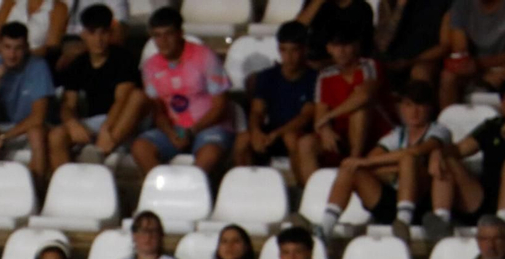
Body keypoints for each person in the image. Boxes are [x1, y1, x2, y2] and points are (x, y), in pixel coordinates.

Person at [318, 78, 448, 241]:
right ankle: (325, 228)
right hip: (391, 199)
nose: (414, 111)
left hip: (421, 203)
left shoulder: (438, 130)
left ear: (430, 107)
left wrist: (383, 165)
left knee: (408, 160)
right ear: (401, 107)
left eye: (419, 105)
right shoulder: (398, 134)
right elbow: (373, 158)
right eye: (408, 105)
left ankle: (403, 222)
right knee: (351, 169)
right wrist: (396, 168)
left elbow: (415, 152)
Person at [427, 74, 505, 235]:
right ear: (502, 103)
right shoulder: (492, 126)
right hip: (484, 198)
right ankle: (441, 221)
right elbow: (460, 149)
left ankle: (502, 221)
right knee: (447, 161)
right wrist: (437, 153)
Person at [133, 8, 233, 177]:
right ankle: (162, 189)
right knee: (140, 148)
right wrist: (170, 132)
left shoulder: (205, 56)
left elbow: (220, 105)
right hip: (174, 130)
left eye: (168, 34)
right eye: (157, 36)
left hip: (208, 127)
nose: (163, 41)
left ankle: (190, 190)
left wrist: (192, 131)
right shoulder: (150, 65)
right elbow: (157, 109)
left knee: (210, 153)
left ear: (180, 33)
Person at [49, 3, 143, 171]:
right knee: (57, 136)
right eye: (92, 33)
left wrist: (107, 128)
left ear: (110, 32)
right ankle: (66, 183)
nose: (98, 40)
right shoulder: (78, 64)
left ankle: (100, 151)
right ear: (84, 34)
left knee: (137, 97)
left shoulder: (124, 59)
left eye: (103, 33)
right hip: (94, 123)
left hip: (121, 122)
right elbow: (68, 104)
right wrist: (72, 123)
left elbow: (122, 100)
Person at [293, 26, 389, 185]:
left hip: (375, 135)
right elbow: (320, 115)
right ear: (329, 48)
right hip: (341, 138)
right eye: (336, 46)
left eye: (346, 45)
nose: (341, 51)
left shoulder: (369, 65)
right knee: (306, 143)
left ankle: (353, 167)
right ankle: (316, 192)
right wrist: (325, 128)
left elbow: (364, 96)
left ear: (356, 46)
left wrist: (329, 116)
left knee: (359, 111)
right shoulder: (325, 75)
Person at [0, 21, 54, 182]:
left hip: (26, 129)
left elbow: (38, 117)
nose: (12, 54)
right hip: (0, 129)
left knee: (36, 132)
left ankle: (36, 189)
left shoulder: (38, 67)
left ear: (26, 48)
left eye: (18, 48)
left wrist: (4, 138)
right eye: (7, 47)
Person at [237, 20, 316, 168]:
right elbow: (257, 110)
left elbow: (305, 116)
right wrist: (256, 131)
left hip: (299, 134)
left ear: (304, 50)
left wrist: (277, 134)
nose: (289, 57)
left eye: (294, 50)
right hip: (272, 133)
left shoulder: (313, 78)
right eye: (284, 50)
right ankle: (245, 180)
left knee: (291, 138)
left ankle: (301, 181)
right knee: (243, 139)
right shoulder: (267, 76)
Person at [438, 0, 505, 107]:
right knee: (448, 77)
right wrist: (481, 73)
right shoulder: (461, 4)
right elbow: (460, 50)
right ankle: (449, 117)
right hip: (474, 67)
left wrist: (483, 66)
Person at [373, 0, 453, 83]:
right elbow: (382, 44)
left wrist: (411, 62)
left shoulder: (443, 3)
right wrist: (400, 7)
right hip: (391, 58)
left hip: (425, 59)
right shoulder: (390, 3)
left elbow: (445, 45)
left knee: (420, 72)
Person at [298, 0, 377, 67]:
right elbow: (296, 30)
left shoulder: (362, 8)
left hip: (348, 64)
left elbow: (365, 46)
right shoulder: (315, 4)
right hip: (314, 62)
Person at [0, 0, 68, 57]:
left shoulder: (58, 8)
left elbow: (51, 48)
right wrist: (6, 54)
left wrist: (18, 55)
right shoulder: (11, 2)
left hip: (33, 62)